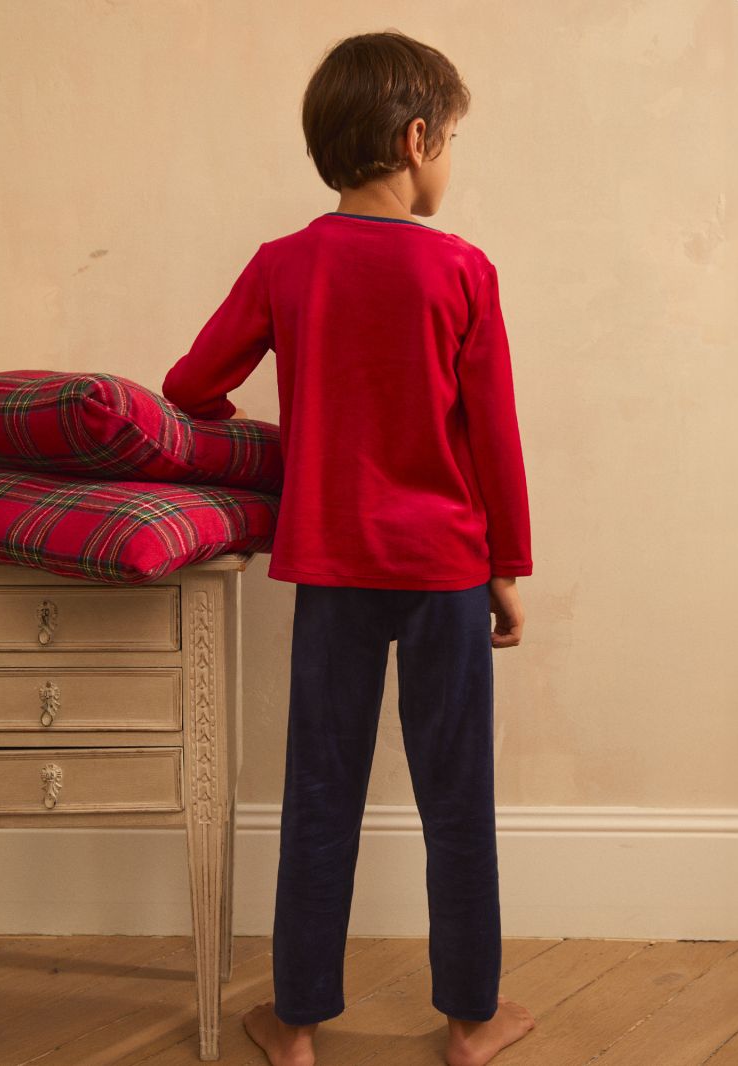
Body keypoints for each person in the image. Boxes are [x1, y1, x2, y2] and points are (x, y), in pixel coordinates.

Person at [162, 28, 536, 1066]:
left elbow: (190, 387)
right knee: (455, 795)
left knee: (319, 792)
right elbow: (493, 437)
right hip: (446, 571)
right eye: (450, 138)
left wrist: (283, 446)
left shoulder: (285, 265)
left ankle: (294, 1024)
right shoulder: (463, 270)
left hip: (331, 568)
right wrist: (505, 567)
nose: (449, 158)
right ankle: (470, 1019)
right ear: (416, 139)